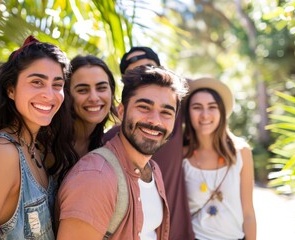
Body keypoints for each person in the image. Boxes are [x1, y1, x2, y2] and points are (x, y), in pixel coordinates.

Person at [0, 35, 76, 239]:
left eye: (57, 84)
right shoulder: (1, 153)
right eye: (37, 82)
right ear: (11, 89)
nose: (50, 94)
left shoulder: (37, 149)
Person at [56, 65, 188, 239]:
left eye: (166, 112)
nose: (155, 121)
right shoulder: (95, 178)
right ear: (122, 111)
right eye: (144, 107)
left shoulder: (153, 170)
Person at [103, 46, 195, 240]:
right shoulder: (108, 142)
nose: (155, 119)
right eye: (136, 76)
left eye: (150, 70)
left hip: (178, 232)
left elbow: (204, 94)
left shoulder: (172, 120)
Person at [182, 77, 256, 240]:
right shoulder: (181, 156)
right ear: (188, 113)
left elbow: (248, 213)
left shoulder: (241, 152)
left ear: (221, 112)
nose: (205, 114)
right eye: (197, 107)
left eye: (212, 107)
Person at [65, 54, 117, 159]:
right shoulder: (46, 141)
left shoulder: (107, 143)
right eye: (82, 90)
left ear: (111, 92)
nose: (94, 98)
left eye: (101, 88)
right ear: (67, 95)